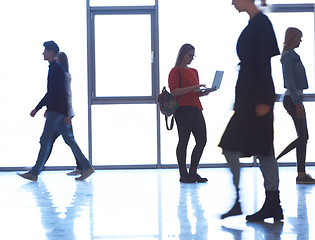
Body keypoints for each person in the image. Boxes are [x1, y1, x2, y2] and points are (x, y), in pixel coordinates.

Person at [218, 0, 283, 221]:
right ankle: (261, 203)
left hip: (257, 98)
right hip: (248, 99)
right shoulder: (254, 24)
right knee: (247, 147)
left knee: (263, 150)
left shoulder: (261, 24)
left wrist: (264, 99)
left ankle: (271, 203)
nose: (232, 2)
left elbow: (264, 65)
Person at [17, 41, 94, 181]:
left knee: (46, 140)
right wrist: (41, 108)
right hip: (58, 111)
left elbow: (58, 92)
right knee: (68, 140)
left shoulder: (56, 68)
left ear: (51, 52)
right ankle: (86, 167)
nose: (43, 53)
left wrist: (62, 113)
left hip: (57, 112)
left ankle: (34, 173)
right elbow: (54, 92)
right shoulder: (55, 68)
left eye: (45, 50)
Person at [168, 43, 213, 183]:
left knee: (202, 140)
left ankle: (193, 172)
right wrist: (194, 87)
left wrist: (204, 92)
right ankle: (184, 174)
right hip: (182, 109)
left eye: (193, 55)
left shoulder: (194, 71)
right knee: (184, 141)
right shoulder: (175, 71)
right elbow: (174, 92)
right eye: (190, 55)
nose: (192, 58)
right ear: (182, 54)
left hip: (195, 107)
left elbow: (193, 93)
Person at [276, 27, 315, 184]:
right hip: (293, 100)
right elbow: (290, 83)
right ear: (291, 38)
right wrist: (298, 103)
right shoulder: (288, 56)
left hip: (295, 98)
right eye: (299, 37)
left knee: (303, 137)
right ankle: (276, 158)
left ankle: (301, 174)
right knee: (303, 137)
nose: (300, 40)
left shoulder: (292, 55)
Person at [43, 52, 83, 176]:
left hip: (64, 114)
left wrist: (66, 114)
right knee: (54, 140)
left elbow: (65, 96)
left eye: (57, 59)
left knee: (49, 141)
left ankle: (38, 167)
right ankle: (82, 167)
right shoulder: (63, 74)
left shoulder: (64, 75)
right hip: (63, 113)